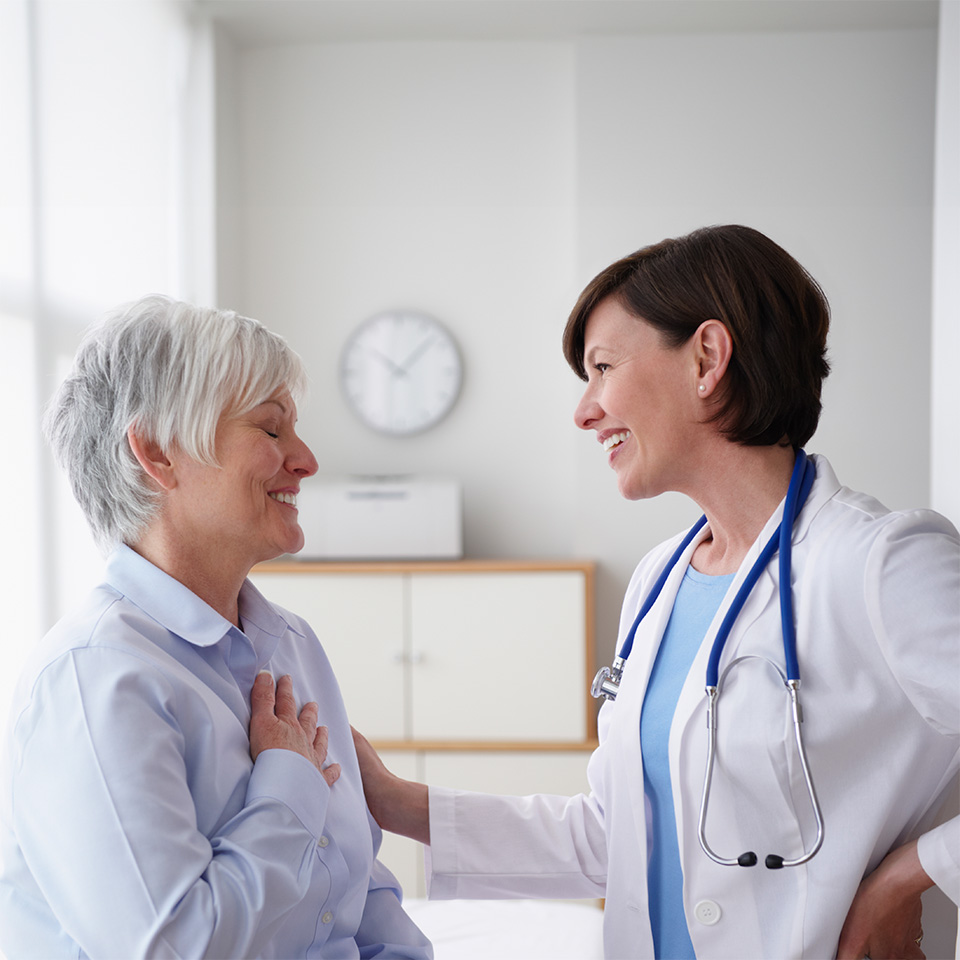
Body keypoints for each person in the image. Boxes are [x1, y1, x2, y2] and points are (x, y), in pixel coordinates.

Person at [351, 225, 959, 959]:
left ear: (707, 357)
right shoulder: (659, 581)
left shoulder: (880, 563)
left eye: (602, 367)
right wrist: (395, 801)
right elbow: (616, 837)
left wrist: (907, 877)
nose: (584, 410)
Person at [0, 296, 432, 959]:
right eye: (270, 430)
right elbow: (175, 950)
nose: (306, 459)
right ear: (156, 454)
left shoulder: (292, 643)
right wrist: (287, 786)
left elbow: (355, 888)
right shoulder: (94, 677)